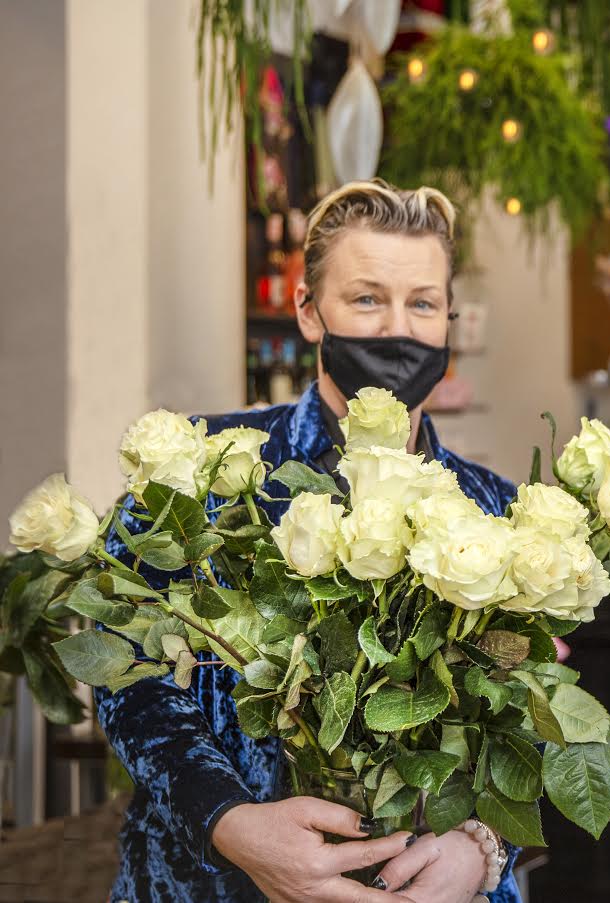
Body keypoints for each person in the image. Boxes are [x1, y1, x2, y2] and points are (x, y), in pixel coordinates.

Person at [95, 181, 523, 903]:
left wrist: (482, 850)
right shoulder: (203, 472)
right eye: (366, 298)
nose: (398, 327)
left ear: (449, 319)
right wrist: (228, 820)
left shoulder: (499, 512)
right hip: (206, 883)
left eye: (422, 303)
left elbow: (524, 727)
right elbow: (123, 673)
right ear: (307, 309)